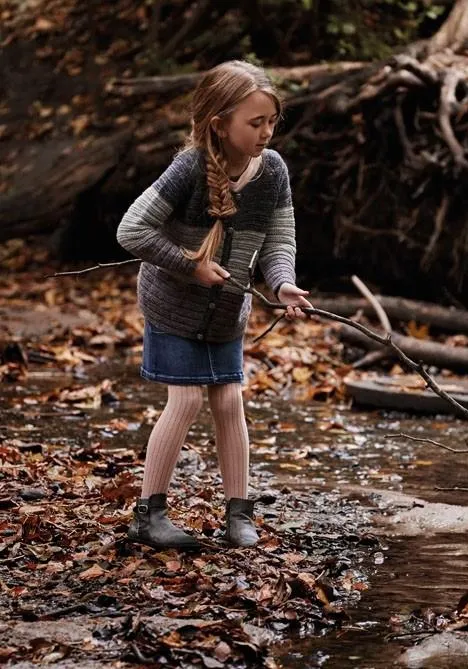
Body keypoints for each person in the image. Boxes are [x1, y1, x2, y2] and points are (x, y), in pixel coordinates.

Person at [116, 60, 311, 550]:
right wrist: (189, 265)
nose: (266, 132)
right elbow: (132, 230)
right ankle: (149, 514)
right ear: (219, 125)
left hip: (227, 310)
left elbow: (279, 238)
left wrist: (281, 283)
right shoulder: (188, 169)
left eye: (271, 121)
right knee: (184, 400)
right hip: (174, 307)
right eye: (255, 123)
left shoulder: (274, 173)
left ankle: (238, 515)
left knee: (229, 401)